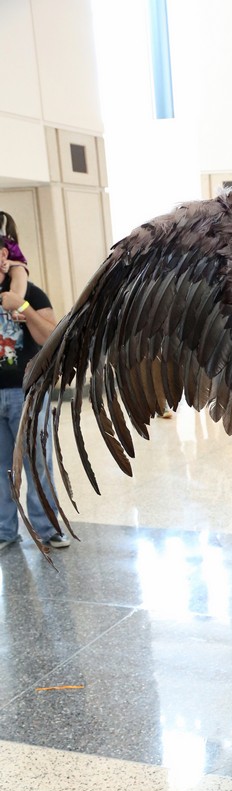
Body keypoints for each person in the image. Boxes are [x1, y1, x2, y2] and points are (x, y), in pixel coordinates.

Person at [0, 233, 70, 551]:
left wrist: (24, 308)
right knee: (1, 467)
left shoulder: (31, 292)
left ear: (5, 256)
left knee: (38, 462)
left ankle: (47, 528)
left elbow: (51, 337)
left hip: (26, 394)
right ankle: (5, 530)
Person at [0, 212, 29, 303]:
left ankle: (15, 302)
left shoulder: (9, 243)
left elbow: (22, 263)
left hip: (11, 267)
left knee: (20, 270)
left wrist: (9, 263)